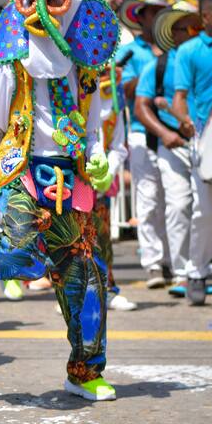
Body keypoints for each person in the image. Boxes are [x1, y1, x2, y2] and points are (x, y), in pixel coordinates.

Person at [0, 0, 120, 401]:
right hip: (24, 171)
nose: (42, 14)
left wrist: (99, 160)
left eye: (54, 4)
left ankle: (83, 372)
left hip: (71, 179)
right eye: (32, 4)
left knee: (85, 280)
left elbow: (94, 127)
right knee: (18, 247)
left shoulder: (86, 68)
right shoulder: (14, 69)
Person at [135, 1, 202, 298]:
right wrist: (165, 133)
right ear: (172, 33)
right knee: (178, 204)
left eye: (196, 25)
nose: (192, 32)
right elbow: (141, 106)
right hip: (172, 143)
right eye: (186, 27)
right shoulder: (158, 66)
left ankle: (201, 268)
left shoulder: (211, 57)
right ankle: (182, 272)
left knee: (204, 208)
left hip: (209, 142)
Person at [172, 0, 212, 305]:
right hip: (206, 142)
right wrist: (184, 120)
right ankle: (196, 272)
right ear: (205, 17)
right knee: (205, 214)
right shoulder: (189, 51)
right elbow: (180, 98)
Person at [117, 0, 172, 289]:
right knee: (149, 201)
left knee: (177, 202)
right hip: (140, 132)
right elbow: (125, 91)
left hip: (176, 132)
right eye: (152, 11)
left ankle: (175, 262)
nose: (157, 16)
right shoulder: (132, 52)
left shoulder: (177, 48)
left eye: (162, 10)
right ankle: (153, 263)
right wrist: (156, 67)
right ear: (142, 17)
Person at [95, 64, 134, 311]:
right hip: (72, 179)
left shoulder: (113, 107)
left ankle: (107, 289)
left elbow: (119, 146)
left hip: (101, 183)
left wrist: (108, 172)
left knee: (102, 236)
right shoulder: (70, 100)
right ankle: (71, 293)